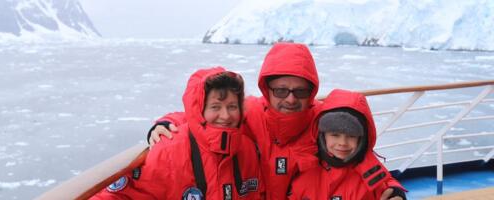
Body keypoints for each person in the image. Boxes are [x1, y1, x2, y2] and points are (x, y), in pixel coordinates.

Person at [147, 43, 405, 199]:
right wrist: (166, 122)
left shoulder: (322, 121)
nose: (291, 99)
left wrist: (393, 190)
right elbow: (206, 115)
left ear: (312, 91)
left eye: (300, 91)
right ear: (267, 90)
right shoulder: (250, 113)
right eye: (281, 90)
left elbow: (360, 156)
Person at [91, 67, 264, 199]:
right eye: (215, 107)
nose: (226, 116)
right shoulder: (169, 150)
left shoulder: (247, 150)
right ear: (199, 110)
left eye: (232, 106)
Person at [289, 89, 407, 199]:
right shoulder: (303, 164)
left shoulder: (369, 175)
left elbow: (385, 185)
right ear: (322, 135)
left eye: (351, 136)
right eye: (335, 135)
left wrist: (397, 193)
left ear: (362, 138)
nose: (342, 143)